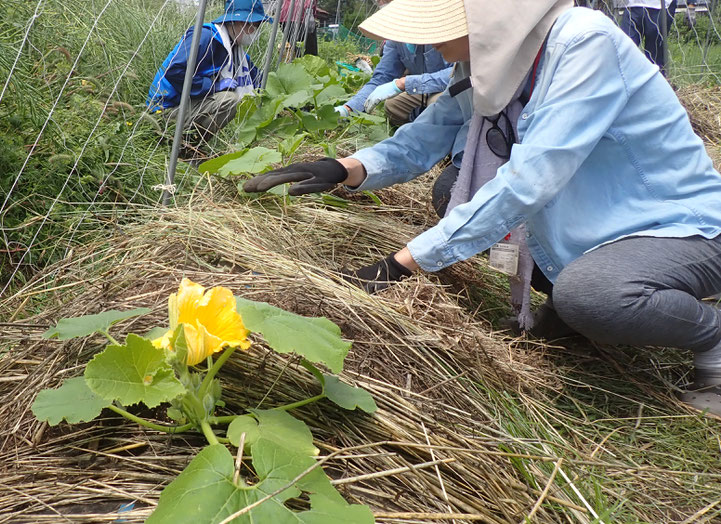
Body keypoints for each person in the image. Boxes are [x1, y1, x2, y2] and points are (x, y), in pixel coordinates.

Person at [243, 0, 721, 416]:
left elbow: (530, 180)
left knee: (591, 297)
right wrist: (343, 168)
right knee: (452, 191)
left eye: (442, 22)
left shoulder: (582, 44)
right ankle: (579, 296)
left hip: (679, 228)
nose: (429, 43)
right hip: (587, 224)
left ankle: (710, 337)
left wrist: (401, 264)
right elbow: (423, 139)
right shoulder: (492, 62)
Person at [146, 0, 270, 148]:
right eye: (252, 25)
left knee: (232, 98)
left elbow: (256, 77)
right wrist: (213, 86)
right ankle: (185, 148)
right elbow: (174, 71)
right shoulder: (206, 37)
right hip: (165, 109)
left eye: (257, 26)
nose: (254, 31)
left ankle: (187, 146)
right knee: (229, 100)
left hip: (187, 105)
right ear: (236, 22)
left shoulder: (234, 50)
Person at [334, 40, 454, 128]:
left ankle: (448, 144)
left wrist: (404, 83)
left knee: (438, 104)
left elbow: (460, 72)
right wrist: (348, 109)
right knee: (393, 106)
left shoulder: (444, 32)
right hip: (425, 90)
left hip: (454, 88)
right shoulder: (396, 40)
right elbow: (382, 77)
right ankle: (422, 128)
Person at [618, 0, 677, 74]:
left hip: (660, 7)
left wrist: (691, 5)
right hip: (633, 6)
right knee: (624, 49)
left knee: (654, 56)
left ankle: (656, 82)